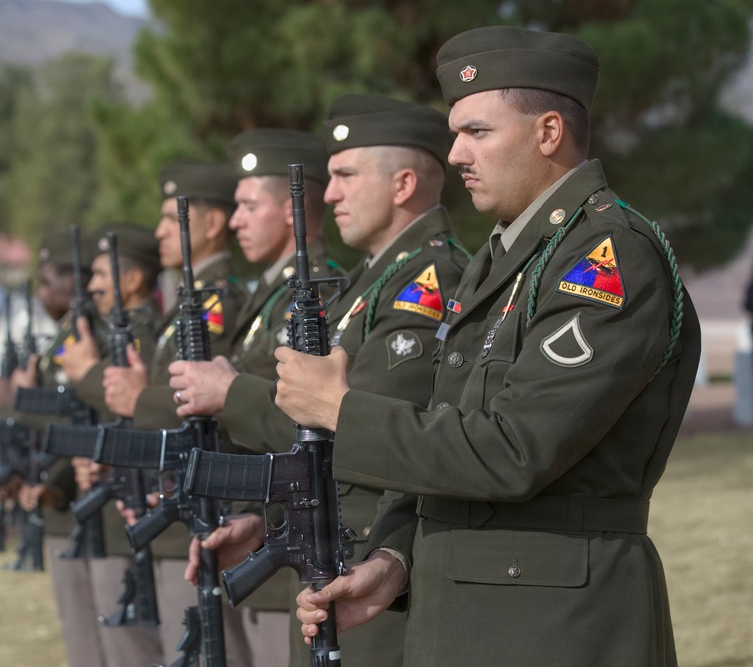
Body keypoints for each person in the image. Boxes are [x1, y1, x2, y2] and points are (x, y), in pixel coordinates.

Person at [283, 26, 701, 666]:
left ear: (549, 132)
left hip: (556, 628)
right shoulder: (505, 256)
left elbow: (515, 450)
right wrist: (395, 558)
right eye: (456, 133)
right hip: (472, 617)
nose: (455, 154)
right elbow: (450, 427)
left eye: (477, 131)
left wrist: (341, 410)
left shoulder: (607, 257)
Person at [170, 95, 469, 666]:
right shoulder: (370, 282)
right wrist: (267, 524)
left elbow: (359, 418)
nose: (328, 195)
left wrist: (231, 393)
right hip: (332, 551)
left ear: (403, 184)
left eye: (345, 176)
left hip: (375, 557)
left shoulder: (430, 281)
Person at [101, 160, 254, 666]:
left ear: (212, 224)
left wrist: (138, 399)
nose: (160, 232)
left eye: (173, 219)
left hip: (213, 510)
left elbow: (208, 403)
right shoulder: (188, 304)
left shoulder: (218, 303)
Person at [0, 229, 108, 667]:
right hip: (58, 495)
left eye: (48, 282)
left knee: (105, 640)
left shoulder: (88, 338)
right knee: (81, 637)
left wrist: (18, 402)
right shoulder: (61, 338)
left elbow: (80, 420)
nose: (42, 294)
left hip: (86, 499)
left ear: (73, 283)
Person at [54, 221, 166, 666]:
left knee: (134, 646)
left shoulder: (146, 336)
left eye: (101, 274)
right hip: (113, 497)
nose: (91, 285)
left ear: (133, 279)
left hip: (137, 501)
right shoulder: (106, 334)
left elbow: (144, 413)